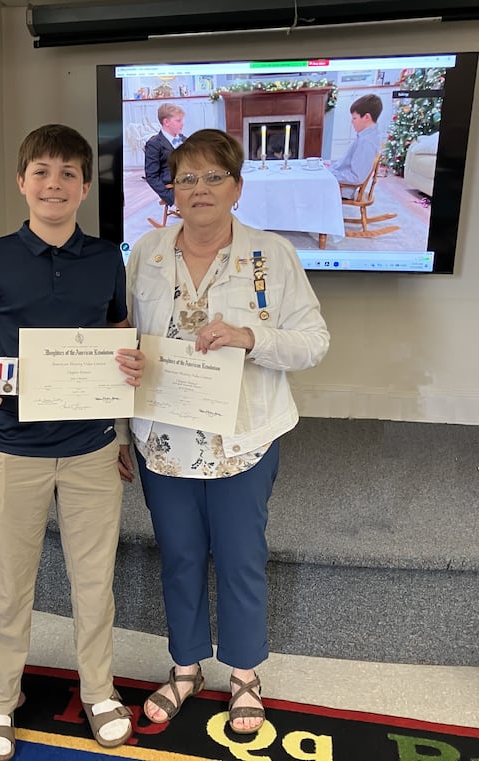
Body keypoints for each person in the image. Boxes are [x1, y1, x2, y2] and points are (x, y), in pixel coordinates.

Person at [121, 128, 329, 734]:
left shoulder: (272, 254)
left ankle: (243, 674)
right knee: (180, 558)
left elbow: (315, 341)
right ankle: (185, 666)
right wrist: (116, 415)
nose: (199, 189)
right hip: (163, 440)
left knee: (240, 559)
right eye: (187, 178)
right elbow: (124, 339)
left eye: (214, 177)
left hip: (242, 440)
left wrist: (250, 337)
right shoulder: (147, 252)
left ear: (237, 186)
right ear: (171, 190)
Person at [0, 124, 144, 761]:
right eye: (42, 172)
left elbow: (119, 334)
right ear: (22, 182)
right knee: (9, 583)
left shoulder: (106, 256)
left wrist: (129, 371)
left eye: (67, 173)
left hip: (90, 447)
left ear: (85, 186)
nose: (54, 183)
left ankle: (100, 691)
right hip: (13, 447)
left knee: (94, 581)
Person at [329, 93, 384, 193]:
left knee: (306, 185)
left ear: (367, 117)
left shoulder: (366, 142)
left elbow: (356, 177)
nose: (352, 122)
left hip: (344, 187)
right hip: (340, 179)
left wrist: (330, 174)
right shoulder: (367, 136)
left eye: (354, 118)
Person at [144, 103, 186, 208]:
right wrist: (170, 197)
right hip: (175, 186)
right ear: (166, 122)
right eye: (178, 121)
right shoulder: (154, 144)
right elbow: (151, 176)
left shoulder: (184, 140)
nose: (182, 124)